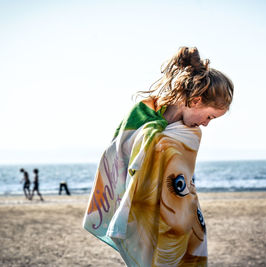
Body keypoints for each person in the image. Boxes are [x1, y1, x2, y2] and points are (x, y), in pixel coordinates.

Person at [83, 46, 234, 265]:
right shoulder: (142, 116)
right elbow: (118, 151)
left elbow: (182, 177)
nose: (207, 124)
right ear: (196, 101)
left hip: (180, 212)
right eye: (210, 116)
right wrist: (150, 138)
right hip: (143, 210)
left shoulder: (189, 133)